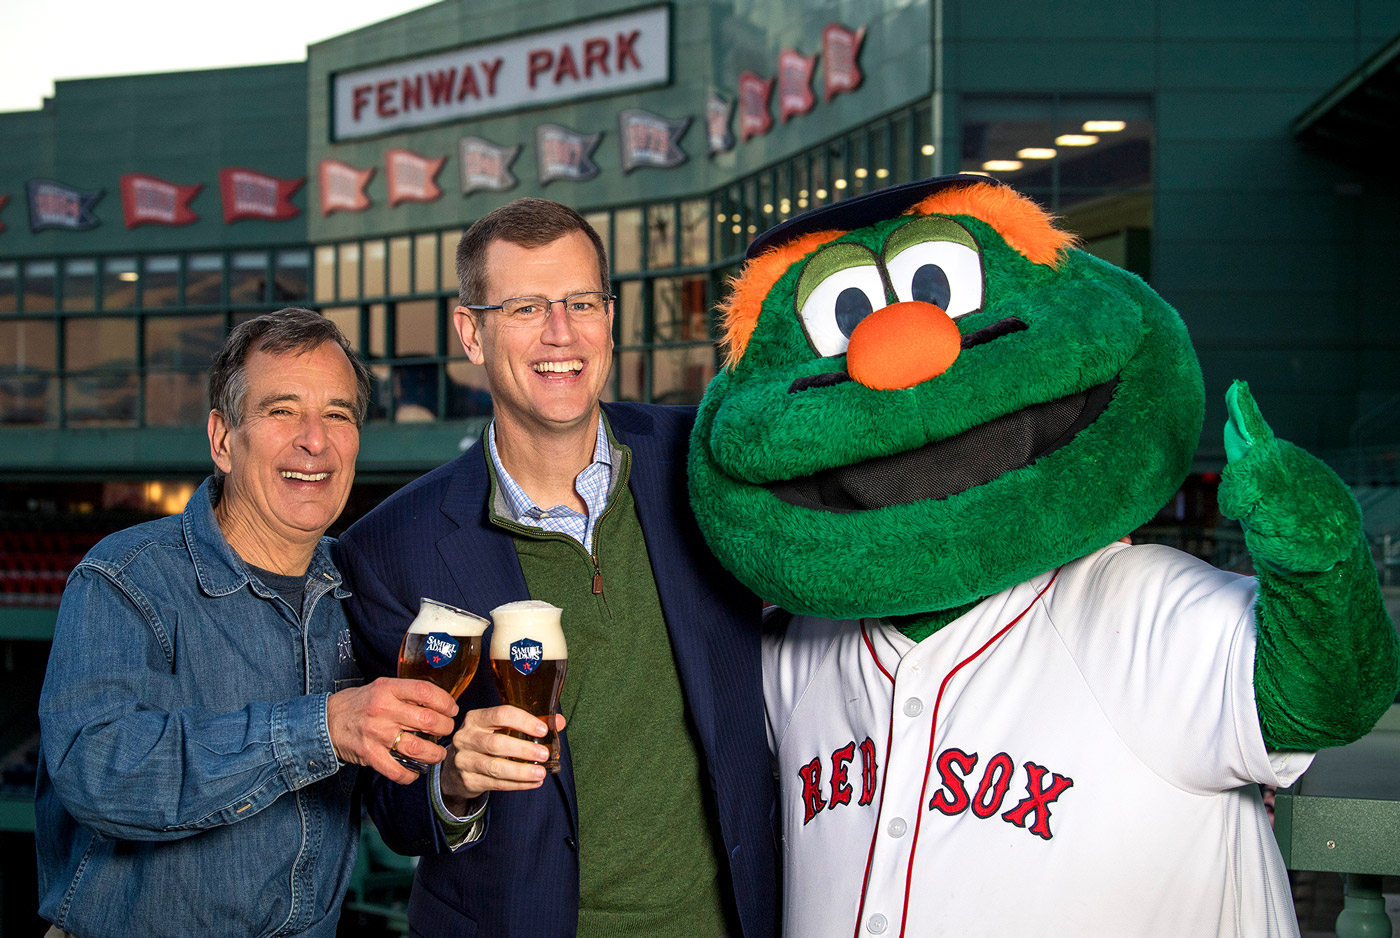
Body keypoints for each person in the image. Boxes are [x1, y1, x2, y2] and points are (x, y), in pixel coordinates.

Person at [335, 198, 778, 938]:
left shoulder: (704, 462)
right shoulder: (390, 549)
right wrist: (453, 779)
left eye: (581, 302)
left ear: (610, 316)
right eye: (526, 307)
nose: (561, 333)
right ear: (471, 332)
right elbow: (396, 807)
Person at [36, 308, 461, 938]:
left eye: (338, 415)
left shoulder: (358, 588)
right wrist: (317, 729)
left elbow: (394, 806)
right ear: (222, 439)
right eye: (282, 410)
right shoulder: (126, 578)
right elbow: (96, 772)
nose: (314, 440)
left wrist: (454, 778)